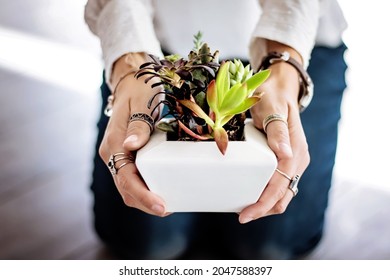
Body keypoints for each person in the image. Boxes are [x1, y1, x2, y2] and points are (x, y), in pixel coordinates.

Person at [84, 0, 348, 259]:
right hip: (161, 54)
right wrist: (129, 65)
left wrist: (284, 65)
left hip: (297, 48)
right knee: (148, 245)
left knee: (270, 248)